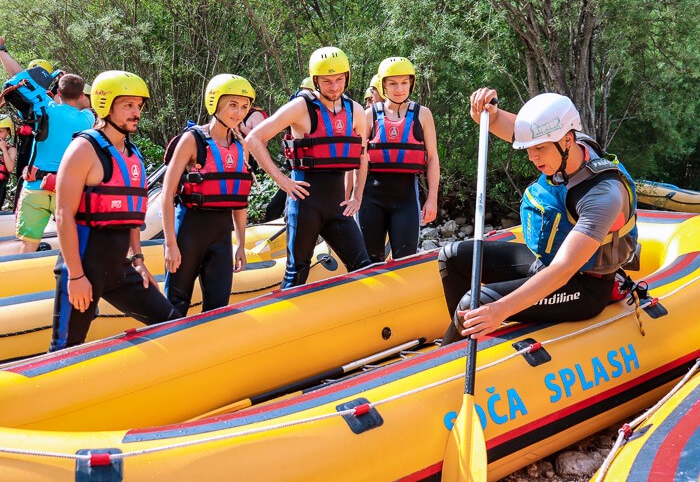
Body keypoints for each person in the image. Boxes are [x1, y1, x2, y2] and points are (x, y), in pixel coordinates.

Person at [440, 88, 639, 344]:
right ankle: (460, 346)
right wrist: (484, 110)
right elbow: (502, 123)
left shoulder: (602, 195)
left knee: (473, 303)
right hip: (544, 263)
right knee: (452, 256)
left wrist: (500, 310)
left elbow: (562, 270)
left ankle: (452, 353)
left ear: (567, 140)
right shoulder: (568, 145)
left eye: (540, 149)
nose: (533, 157)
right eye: (529, 149)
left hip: (585, 287)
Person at [50, 70, 182, 351]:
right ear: (104, 105)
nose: (136, 113)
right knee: (64, 348)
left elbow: (132, 215)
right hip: (84, 267)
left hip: (121, 269)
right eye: (128, 106)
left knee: (171, 322)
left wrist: (138, 259)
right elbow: (63, 216)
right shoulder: (83, 149)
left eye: (138, 106)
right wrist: (75, 276)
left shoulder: (133, 155)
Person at [247, 46, 372, 288]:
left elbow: (362, 155)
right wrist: (283, 181)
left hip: (338, 208)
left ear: (347, 77)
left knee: (363, 265)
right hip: (305, 205)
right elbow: (254, 138)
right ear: (316, 81)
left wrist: (357, 197)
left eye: (339, 80)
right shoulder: (301, 107)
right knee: (297, 272)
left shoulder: (355, 110)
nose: (334, 87)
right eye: (327, 81)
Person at [161, 74, 252, 316]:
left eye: (244, 107)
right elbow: (167, 193)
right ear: (215, 103)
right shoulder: (193, 140)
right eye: (233, 105)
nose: (238, 113)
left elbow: (239, 200)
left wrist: (241, 244)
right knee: (176, 305)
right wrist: (170, 244)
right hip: (189, 231)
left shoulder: (242, 145)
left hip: (221, 236)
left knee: (218, 308)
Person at [358, 57, 439, 262]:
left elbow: (433, 158)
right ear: (383, 85)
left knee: (405, 261)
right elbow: (356, 162)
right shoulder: (369, 115)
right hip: (371, 198)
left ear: (411, 83)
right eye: (392, 83)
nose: (399, 89)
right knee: (371, 261)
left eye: (404, 82)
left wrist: (432, 199)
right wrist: (353, 197)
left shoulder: (423, 115)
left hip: (406, 200)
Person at [14, 73, 95, 252]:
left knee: (28, 244)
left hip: (35, 188)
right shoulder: (88, 119)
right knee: (72, 242)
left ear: (58, 91)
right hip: (67, 191)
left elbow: (22, 81)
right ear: (82, 95)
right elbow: (88, 107)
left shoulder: (45, 110)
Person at [263, 76, 319, 223]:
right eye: (303, 92)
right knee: (274, 207)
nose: (303, 97)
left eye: (308, 93)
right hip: (295, 173)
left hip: (314, 179)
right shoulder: (296, 112)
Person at [0, 115, 17, 209]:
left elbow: (10, 168)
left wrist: (4, 149)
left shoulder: (11, 149)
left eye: (1, 132)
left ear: (8, 132)